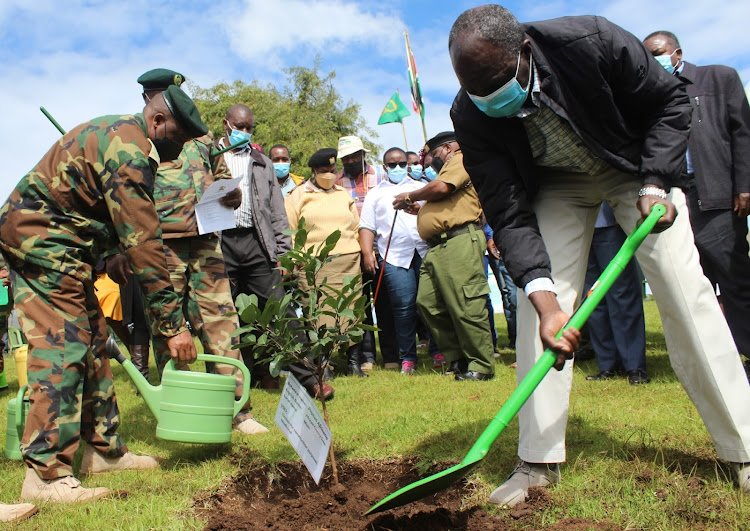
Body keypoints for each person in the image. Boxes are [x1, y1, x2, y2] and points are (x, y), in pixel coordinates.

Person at [448, 5, 750, 507]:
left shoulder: (590, 41)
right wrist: (548, 306)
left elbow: (671, 104)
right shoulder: (470, 113)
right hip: (556, 184)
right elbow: (507, 209)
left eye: (498, 84)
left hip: (632, 165)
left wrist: (656, 178)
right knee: (537, 310)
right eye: (478, 92)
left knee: (682, 290)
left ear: (525, 51)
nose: (489, 100)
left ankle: (743, 446)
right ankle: (537, 462)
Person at [0, 85, 201, 503]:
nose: (178, 153)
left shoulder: (122, 135)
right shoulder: (131, 152)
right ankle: (45, 476)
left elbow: (90, 202)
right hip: (43, 241)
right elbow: (145, 242)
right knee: (63, 347)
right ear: (158, 121)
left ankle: (103, 451)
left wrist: (110, 253)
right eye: (178, 140)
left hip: (65, 242)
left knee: (94, 343)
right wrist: (172, 326)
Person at [134, 69, 266, 435]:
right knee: (169, 329)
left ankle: (238, 411)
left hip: (206, 242)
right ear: (151, 100)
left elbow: (222, 176)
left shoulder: (203, 135)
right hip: (162, 246)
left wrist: (232, 194)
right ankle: (181, 409)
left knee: (224, 324)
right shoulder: (141, 137)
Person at [643, 31, 750, 361]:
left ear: (677, 52)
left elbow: (742, 133)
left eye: (658, 53)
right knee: (696, 288)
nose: (655, 61)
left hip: (719, 199)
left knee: (736, 283)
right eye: (648, 57)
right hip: (679, 205)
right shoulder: (651, 97)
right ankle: (719, 358)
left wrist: (744, 185)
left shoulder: (718, 78)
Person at [218, 105, 331, 400]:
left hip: (258, 243)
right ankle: (234, 385)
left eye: (249, 128)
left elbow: (277, 213)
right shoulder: (208, 157)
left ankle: (311, 379)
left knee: (280, 311)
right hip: (220, 244)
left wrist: (284, 254)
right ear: (225, 125)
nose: (243, 132)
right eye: (238, 126)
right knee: (226, 317)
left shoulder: (262, 162)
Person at [393, 132, 496, 381]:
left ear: (448, 148)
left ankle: (481, 365)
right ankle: (458, 358)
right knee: (429, 304)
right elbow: (445, 199)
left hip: (459, 240)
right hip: (438, 246)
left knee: (466, 303)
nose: (430, 164)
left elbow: (441, 188)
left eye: (432, 156)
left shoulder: (460, 159)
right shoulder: (446, 171)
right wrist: (420, 210)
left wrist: (410, 196)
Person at [359, 147, 443, 375]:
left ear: (407, 164)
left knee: (429, 304)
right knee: (403, 308)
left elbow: (435, 217)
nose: (398, 168)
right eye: (393, 165)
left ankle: (438, 351)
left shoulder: (420, 188)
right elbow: (366, 226)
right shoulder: (376, 193)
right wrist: (368, 254)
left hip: (423, 252)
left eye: (402, 164)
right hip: (394, 257)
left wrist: (418, 209)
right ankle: (407, 357)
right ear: (385, 167)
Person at [285, 148, 365, 376]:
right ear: (313, 171)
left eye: (332, 170)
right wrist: (295, 261)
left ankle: (353, 363)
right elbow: (290, 232)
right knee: (318, 313)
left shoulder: (343, 194)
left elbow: (355, 227)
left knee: (352, 310)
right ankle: (324, 365)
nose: (329, 175)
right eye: (324, 171)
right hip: (314, 266)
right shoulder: (298, 195)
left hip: (349, 261)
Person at [337, 135, 397, 371]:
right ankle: (367, 357)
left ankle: (391, 355)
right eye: (346, 157)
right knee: (359, 307)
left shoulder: (382, 176)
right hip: (352, 252)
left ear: (364, 154)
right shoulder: (337, 182)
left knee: (385, 304)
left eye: (354, 155)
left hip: (382, 249)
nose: (351, 160)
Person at [583, 202, 648, 384]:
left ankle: (634, 366)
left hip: (611, 224)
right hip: (580, 226)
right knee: (593, 299)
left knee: (622, 294)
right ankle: (607, 364)